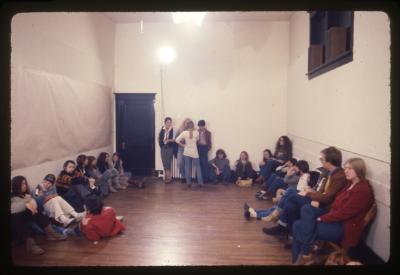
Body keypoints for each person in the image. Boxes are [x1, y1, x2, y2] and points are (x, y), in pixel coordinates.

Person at [291, 158, 374, 265]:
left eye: (350, 168)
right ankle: (305, 251)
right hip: (334, 218)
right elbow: (336, 204)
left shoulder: (362, 190)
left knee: (298, 226)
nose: (346, 171)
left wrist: (321, 218)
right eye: (345, 168)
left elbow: (344, 213)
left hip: (344, 227)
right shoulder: (350, 184)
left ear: (359, 170)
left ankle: (299, 258)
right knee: (306, 208)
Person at [263, 146, 347, 236]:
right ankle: (290, 233)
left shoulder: (339, 176)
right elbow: (321, 191)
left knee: (291, 195)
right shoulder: (328, 172)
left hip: (323, 205)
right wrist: (312, 192)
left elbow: (327, 197)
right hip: (318, 199)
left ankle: (280, 222)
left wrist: (308, 193)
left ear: (330, 161)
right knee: (291, 204)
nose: (320, 160)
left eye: (322, 159)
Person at [11, 176, 67, 255]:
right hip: (16, 219)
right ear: (17, 185)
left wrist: (31, 202)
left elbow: (32, 201)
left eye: (25, 183)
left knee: (39, 213)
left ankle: (51, 233)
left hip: (28, 214)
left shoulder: (25, 195)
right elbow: (13, 209)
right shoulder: (12, 195)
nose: (25, 185)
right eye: (23, 184)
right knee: (19, 217)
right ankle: (30, 244)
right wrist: (27, 204)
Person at [244, 160, 310, 221]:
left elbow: (296, 189)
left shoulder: (303, 177)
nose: (296, 169)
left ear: (300, 169)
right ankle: (253, 212)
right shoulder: (302, 176)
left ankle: (254, 213)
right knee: (273, 209)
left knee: (274, 209)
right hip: (291, 194)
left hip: (292, 197)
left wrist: (289, 172)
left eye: (297, 168)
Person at [175, 120, 203, 188]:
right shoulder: (196, 132)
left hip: (186, 152)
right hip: (194, 152)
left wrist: (183, 145)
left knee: (187, 168)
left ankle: (188, 183)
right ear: (193, 125)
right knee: (198, 168)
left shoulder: (184, 132)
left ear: (186, 126)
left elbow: (176, 140)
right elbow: (197, 140)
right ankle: (200, 183)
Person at [158, 117, 175, 184]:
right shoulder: (162, 129)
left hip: (169, 148)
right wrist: (161, 145)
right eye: (167, 122)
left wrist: (168, 140)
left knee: (167, 162)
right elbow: (159, 138)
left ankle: (168, 178)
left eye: (170, 122)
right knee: (164, 162)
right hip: (163, 147)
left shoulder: (173, 129)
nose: (169, 123)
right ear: (165, 122)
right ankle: (168, 177)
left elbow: (174, 139)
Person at [175, 118, 191, 183]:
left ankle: (186, 178)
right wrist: (181, 143)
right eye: (186, 123)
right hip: (181, 148)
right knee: (179, 163)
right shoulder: (180, 130)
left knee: (188, 164)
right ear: (184, 123)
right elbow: (176, 139)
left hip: (189, 148)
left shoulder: (191, 130)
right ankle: (183, 176)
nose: (187, 124)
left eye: (188, 123)